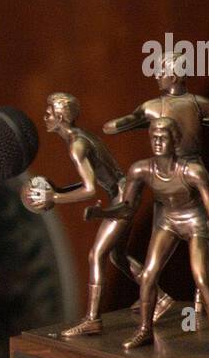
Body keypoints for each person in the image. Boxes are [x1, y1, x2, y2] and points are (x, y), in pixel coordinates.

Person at [25, 93, 175, 336]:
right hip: (125, 191)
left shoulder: (76, 145)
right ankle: (161, 297)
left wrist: (54, 198)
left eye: (50, 112)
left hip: (123, 197)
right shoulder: (79, 137)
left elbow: (89, 189)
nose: (46, 116)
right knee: (117, 255)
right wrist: (60, 191)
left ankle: (92, 319)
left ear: (62, 117)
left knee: (96, 255)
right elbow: (94, 180)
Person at [93, 117, 209, 355]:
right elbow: (127, 206)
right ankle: (145, 329)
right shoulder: (141, 170)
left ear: (174, 140)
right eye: (153, 137)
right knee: (147, 276)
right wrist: (101, 212)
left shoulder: (193, 172)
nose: (157, 142)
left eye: (163, 137)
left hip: (193, 221)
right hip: (167, 220)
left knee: (200, 277)